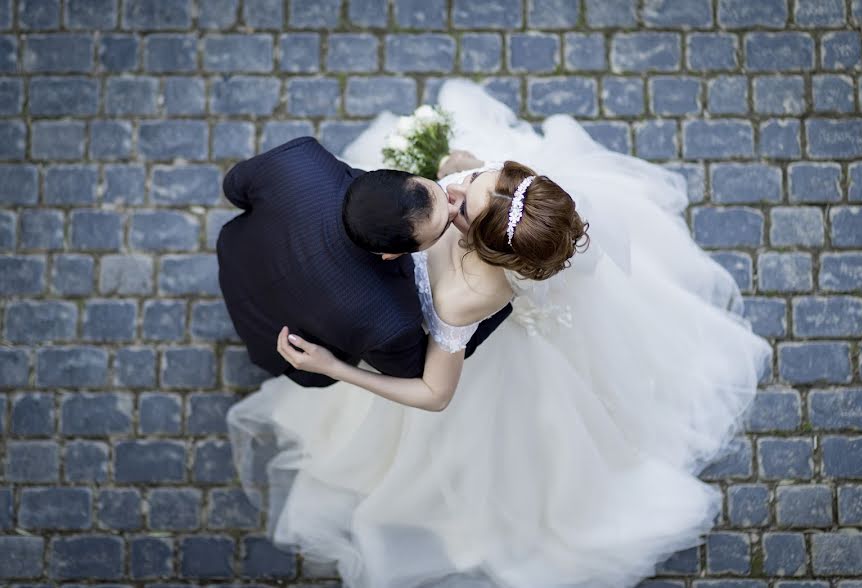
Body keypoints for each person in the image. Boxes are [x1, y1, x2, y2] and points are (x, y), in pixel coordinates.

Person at [226, 80, 772, 588]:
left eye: (463, 206)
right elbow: (455, 165)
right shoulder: (492, 188)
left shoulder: (467, 294)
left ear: (489, 248)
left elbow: (437, 393)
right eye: (471, 184)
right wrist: (449, 174)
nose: (456, 190)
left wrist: (335, 367)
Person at [215, 133, 511, 389]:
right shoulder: (389, 321)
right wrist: (496, 306)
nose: (453, 206)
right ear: (392, 254)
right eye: (444, 225)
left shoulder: (299, 159)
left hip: (236, 257)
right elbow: (418, 373)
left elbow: (234, 187)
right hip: (280, 345)